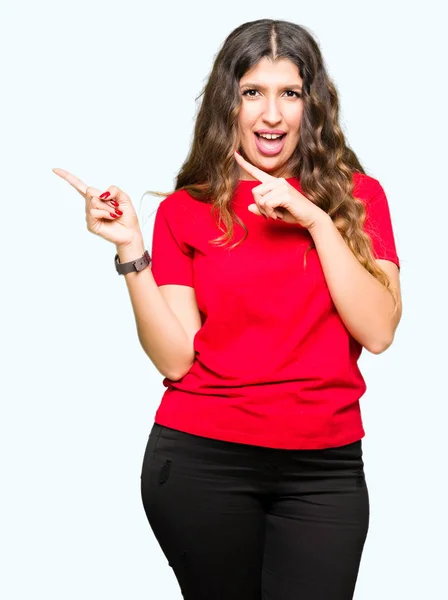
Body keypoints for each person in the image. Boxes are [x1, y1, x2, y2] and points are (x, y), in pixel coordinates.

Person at [53, 18, 402, 600]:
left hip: (324, 469)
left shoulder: (358, 198)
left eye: (289, 93)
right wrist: (131, 249)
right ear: (229, 103)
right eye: (252, 93)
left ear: (311, 104)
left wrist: (314, 218)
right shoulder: (187, 210)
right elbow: (175, 360)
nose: (271, 114)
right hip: (202, 461)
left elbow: (379, 329)